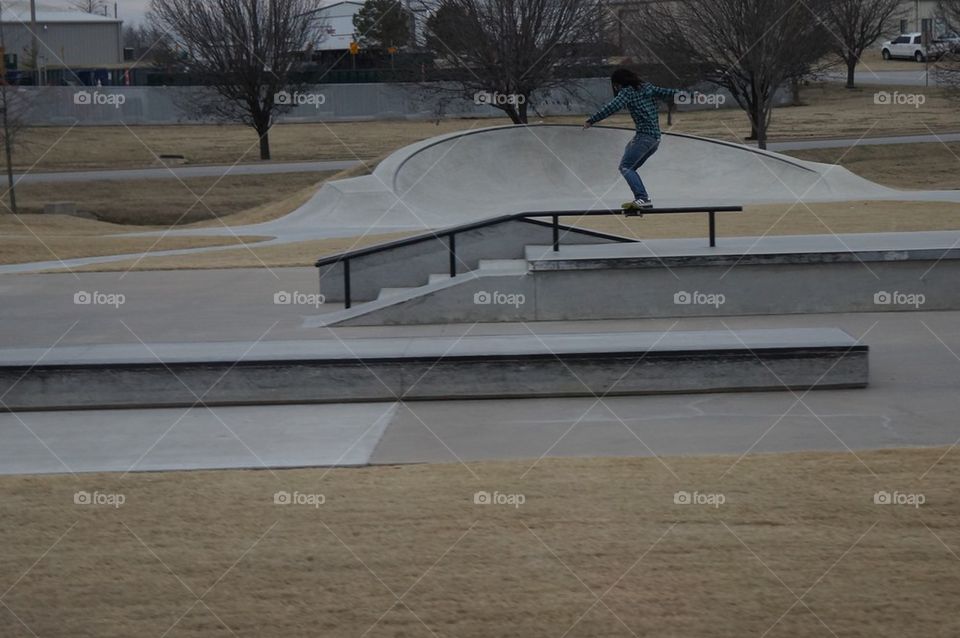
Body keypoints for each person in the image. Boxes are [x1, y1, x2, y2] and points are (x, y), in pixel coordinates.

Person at [583, 68, 682, 210]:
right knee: (630, 159)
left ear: (618, 83)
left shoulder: (626, 92)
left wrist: (591, 120)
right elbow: (669, 93)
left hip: (644, 138)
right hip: (655, 140)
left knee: (625, 166)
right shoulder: (648, 87)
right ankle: (641, 196)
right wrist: (693, 95)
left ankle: (642, 198)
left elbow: (611, 107)